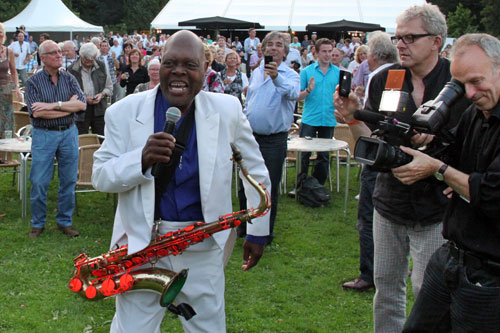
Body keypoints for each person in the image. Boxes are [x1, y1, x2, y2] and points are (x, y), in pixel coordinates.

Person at [91, 29, 270, 333]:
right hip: (140, 248)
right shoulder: (122, 112)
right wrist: (141, 159)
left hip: (202, 244)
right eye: (171, 63)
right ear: (159, 64)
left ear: (205, 69)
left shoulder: (228, 110)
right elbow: (100, 176)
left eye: (190, 65)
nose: (179, 72)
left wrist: (258, 232)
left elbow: (255, 172)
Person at [333, 4, 469, 332]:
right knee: (386, 289)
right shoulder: (387, 78)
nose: (401, 44)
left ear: (437, 41)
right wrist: (352, 117)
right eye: (398, 37)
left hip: (437, 208)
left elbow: (472, 147)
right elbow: (369, 145)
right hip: (389, 203)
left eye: (410, 37)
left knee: (429, 290)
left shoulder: (460, 82)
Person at [400, 33, 500, 332]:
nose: (468, 93)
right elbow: (452, 157)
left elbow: (493, 195)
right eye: (460, 84)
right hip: (451, 258)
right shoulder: (478, 112)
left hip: (490, 276)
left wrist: (441, 170)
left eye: (476, 81)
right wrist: (424, 141)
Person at [341, 31, 399, 292]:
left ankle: (369, 273)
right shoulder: (398, 74)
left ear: (373, 56)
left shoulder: (382, 76)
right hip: (393, 154)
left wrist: (357, 115)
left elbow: (382, 121)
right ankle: (386, 270)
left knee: (368, 217)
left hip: (379, 154)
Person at [239, 31, 300, 242]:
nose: (274, 47)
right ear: (263, 49)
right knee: (244, 183)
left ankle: (264, 232)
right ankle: (243, 227)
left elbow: (292, 93)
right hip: (250, 137)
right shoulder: (256, 73)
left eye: (279, 45)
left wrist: (276, 77)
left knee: (267, 186)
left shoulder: (291, 75)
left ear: (285, 51)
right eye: (270, 44)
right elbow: (251, 101)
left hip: (274, 140)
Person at [25, 40, 86, 238]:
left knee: (68, 180)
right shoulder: (33, 82)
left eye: (60, 52)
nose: (59, 55)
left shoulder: (69, 78)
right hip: (44, 134)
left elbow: (82, 105)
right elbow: (37, 114)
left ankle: (65, 222)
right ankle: (38, 223)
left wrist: (52, 105)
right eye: (53, 53)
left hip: (69, 133)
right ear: (42, 58)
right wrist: (67, 106)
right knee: (39, 181)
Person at [297, 38, 340, 185]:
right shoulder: (306, 72)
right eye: (324, 51)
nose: (328, 55)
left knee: (324, 155)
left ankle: (318, 186)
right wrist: (308, 90)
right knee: (304, 154)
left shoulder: (338, 73)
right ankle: (302, 184)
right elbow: (298, 97)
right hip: (310, 118)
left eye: (330, 51)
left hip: (328, 118)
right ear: (316, 53)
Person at [68, 42, 112, 135]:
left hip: (99, 109)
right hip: (80, 111)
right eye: (87, 59)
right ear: (81, 56)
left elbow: (109, 87)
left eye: (92, 59)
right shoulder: (72, 70)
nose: (90, 62)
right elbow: (69, 92)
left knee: (101, 138)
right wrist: (84, 99)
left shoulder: (101, 66)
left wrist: (101, 94)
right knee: (81, 138)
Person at [0, 23, 22, 139]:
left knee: (6, 120)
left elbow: (14, 72)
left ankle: (5, 152)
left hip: (5, 89)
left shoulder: (9, 51)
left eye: (1, 33)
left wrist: (17, 88)